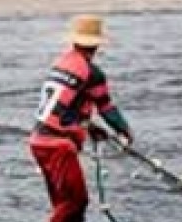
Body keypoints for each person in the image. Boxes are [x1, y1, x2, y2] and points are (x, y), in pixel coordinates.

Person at [29, 15, 133, 222]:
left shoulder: (61, 63)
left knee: (64, 206)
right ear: (97, 45)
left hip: (38, 141)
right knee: (76, 202)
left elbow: (64, 106)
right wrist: (125, 131)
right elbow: (106, 108)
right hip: (59, 146)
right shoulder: (92, 73)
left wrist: (89, 126)